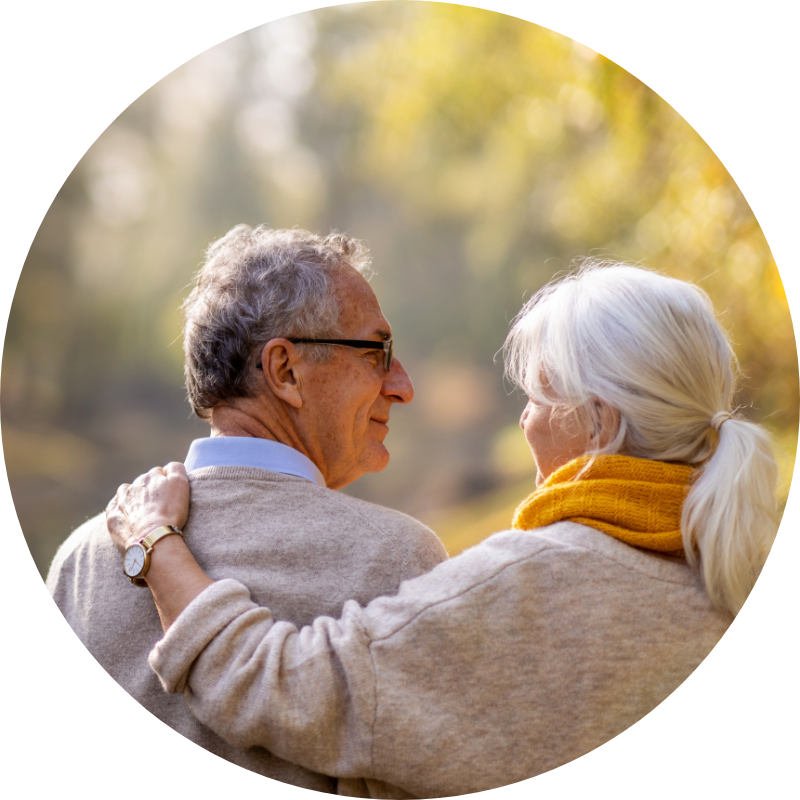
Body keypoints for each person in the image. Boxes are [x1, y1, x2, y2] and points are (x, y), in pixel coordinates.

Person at [106, 260, 780, 798]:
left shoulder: (531, 586)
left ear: (599, 424)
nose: (525, 422)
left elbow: (274, 686)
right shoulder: (759, 586)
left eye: (539, 399)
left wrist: (154, 542)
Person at [45, 224, 448, 799]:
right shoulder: (393, 558)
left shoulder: (80, 560)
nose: (402, 386)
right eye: (377, 352)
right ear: (285, 371)